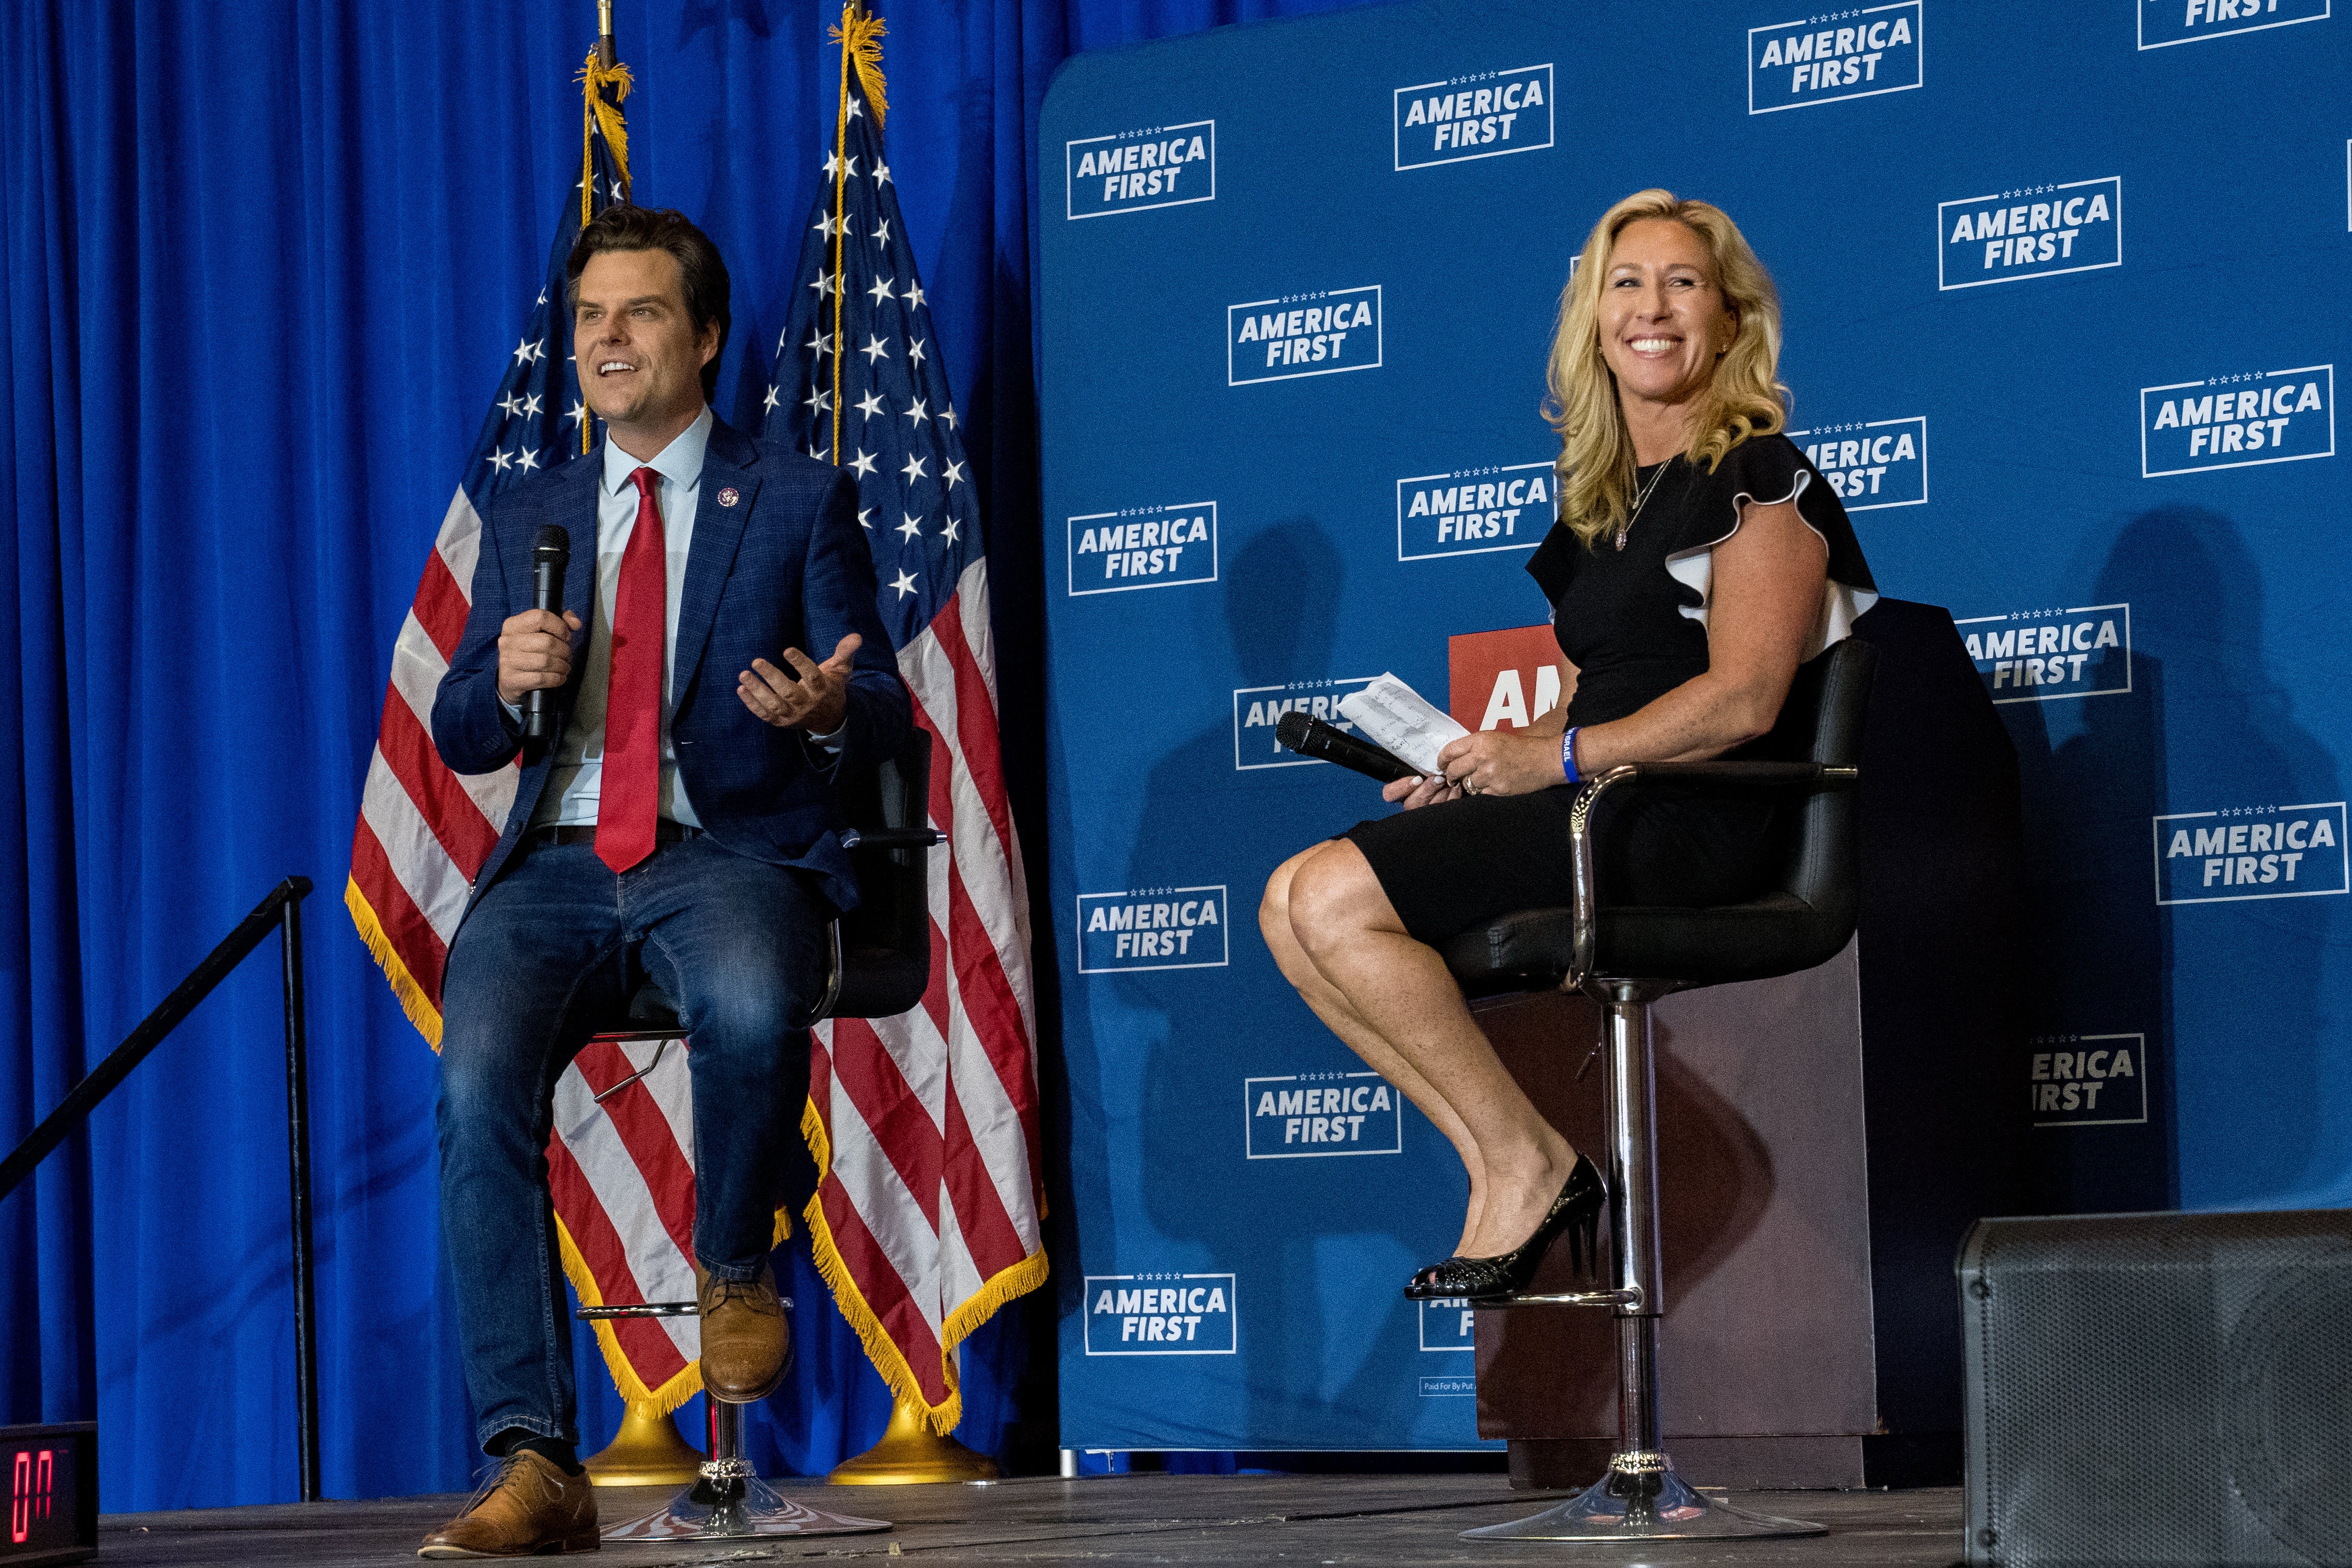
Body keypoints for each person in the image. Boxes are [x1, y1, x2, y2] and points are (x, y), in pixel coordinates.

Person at [1258, 190, 1876, 1306]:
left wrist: (1553, 761)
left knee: (1336, 896)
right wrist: (1482, 761)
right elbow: (1601, 690)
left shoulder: (1760, 478)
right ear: (1592, 322)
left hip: (1696, 818)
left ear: (1730, 321)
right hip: (1606, 792)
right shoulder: (1599, 511)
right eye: (1625, 284)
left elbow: (1740, 699)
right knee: (1288, 902)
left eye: (1683, 283)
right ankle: (1512, 1158)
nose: (1652, 307)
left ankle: (1528, 1163)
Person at [420, 206, 910, 1558]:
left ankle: (736, 1264)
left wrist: (823, 708)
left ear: (702, 335)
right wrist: (502, 683)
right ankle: (534, 1459)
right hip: (562, 863)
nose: (607, 339)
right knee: (474, 1084)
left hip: (730, 848)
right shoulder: (529, 508)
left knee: (753, 1005)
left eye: (638, 314)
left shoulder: (796, 496)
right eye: (588, 318)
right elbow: (462, 730)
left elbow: (882, 702)